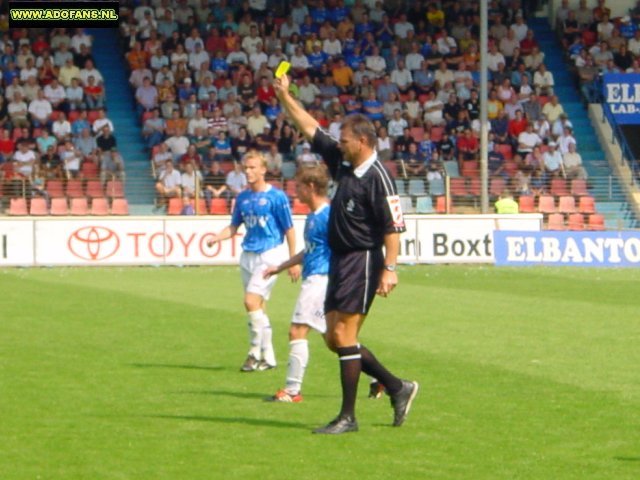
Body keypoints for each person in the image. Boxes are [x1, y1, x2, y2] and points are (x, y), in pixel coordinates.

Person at [275, 73, 418, 435]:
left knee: (345, 335)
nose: (340, 144)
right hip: (340, 261)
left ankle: (348, 417)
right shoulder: (344, 161)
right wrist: (285, 97)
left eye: (346, 140)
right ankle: (398, 387)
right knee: (334, 339)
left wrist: (390, 268)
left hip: (363, 260)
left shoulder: (379, 178)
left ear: (364, 142)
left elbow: (393, 227)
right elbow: (310, 128)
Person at [207, 150, 299, 372]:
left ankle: (253, 352)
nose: (248, 171)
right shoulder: (242, 198)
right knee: (258, 307)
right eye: (245, 167)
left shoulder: (276, 197)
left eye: (252, 167)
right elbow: (234, 226)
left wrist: (293, 260)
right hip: (248, 255)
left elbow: (289, 229)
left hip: (270, 255)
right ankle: (269, 358)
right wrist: (217, 238)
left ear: (263, 169)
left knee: (249, 301)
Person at [263, 164, 331, 402]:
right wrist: (280, 267)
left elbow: (345, 249)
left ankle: (292, 391)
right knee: (336, 340)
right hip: (316, 279)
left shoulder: (327, 216)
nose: (295, 192)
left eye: (298, 187)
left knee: (297, 330)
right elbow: (310, 251)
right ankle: (381, 379)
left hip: (320, 281)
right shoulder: (313, 216)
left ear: (311, 187)